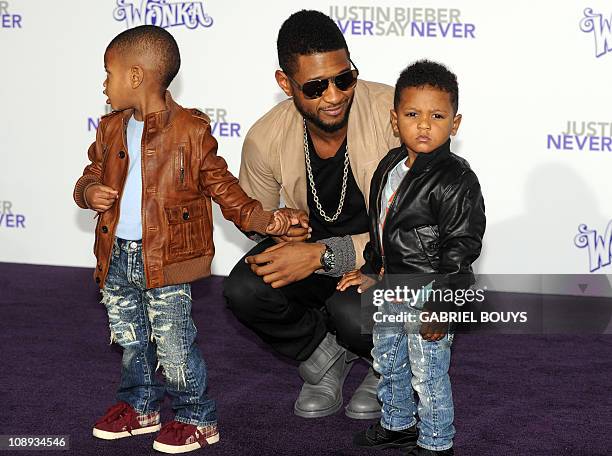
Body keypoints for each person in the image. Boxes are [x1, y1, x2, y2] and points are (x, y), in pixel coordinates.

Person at [73, 25, 304, 454]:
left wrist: (267, 221)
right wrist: (89, 191)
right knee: (130, 339)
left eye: (109, 73)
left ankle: (197, 417)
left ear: (136, 76)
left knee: (174, 344)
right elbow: (89, 174)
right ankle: (139, 406)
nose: (103, 84)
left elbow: (223, 187)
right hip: (116, 256)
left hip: (166, 258)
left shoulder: (190, 130)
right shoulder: (110, 129)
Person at [223, 9, 399, 420]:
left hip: (387, 266)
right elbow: (256, 218)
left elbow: (418, 228)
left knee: (352, 312)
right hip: (317, 265)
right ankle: (324, 358)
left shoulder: (394, 114)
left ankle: (386, 367)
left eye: (344, 78)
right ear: (285, 83)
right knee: (245, 288)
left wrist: (322, 255)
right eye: (316, 87)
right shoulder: (266, 137)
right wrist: (279, 225)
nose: (335, 96)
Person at [339, 60, 486, 455]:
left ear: (454, 124)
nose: (424, 125)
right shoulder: (389, 165)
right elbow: (382, 226)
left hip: (428, 293)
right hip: (391, 288)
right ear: (394, 119)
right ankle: (398, 423)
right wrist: (371, 268)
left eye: (437, 116)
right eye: (412, 114)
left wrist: (442, 305)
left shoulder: (456, 179)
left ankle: (437, 442)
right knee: (388, 360)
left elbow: (461, 249)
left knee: (429, 372)